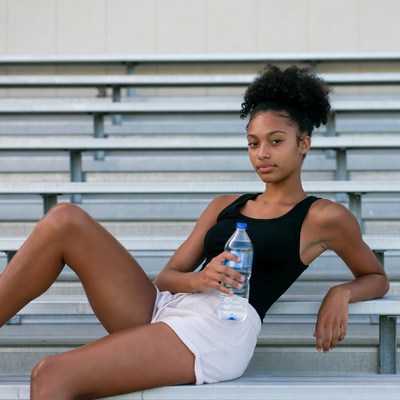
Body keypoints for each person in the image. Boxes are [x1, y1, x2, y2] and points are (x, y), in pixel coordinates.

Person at [0, 65, 389, 399]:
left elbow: (376, 277)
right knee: (64, 218)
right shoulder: (224, 203)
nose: (262, 154)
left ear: (304, 144)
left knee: (50, 375)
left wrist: (341, 292)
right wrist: (201, 278)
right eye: (253, 144)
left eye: (275, 142)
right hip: (167, 309)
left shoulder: (323, 216)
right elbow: (167, 277)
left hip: (219, 329)